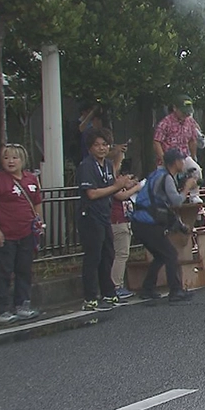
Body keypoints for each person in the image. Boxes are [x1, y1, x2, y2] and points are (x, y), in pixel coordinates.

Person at [0, 144, 42, 325]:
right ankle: (1, 310)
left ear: (22, 160)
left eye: (15, 158)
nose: (11, 161)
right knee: (3, 272)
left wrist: (39, 223)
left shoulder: (31, 179)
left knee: (24, 270)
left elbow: (37, 202)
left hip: (27, 233)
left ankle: (22, 304)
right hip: (6, 234)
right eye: (6, 158)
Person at [77, 129, 137, 312]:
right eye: (97, 145)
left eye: (105, 144)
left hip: (105, 215)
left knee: (108, 254)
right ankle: (90, 297)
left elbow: (111, 188)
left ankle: (108, 293)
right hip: (90, 215)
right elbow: (92, 193)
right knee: (93, 256)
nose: (102, 148)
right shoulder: (86, 166)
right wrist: (117, 186)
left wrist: (124, 185)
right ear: (90, 147)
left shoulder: (108, 165)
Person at [130, 149, 196, 303]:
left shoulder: (156, 174)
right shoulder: (166, 178)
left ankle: (147, 288)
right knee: (170, 254)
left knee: (161, 255)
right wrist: (187, 187)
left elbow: (163, 205)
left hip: (140, 222)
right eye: (182, 160)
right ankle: (175, 291)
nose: (183, 163)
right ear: (175, 162)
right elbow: (176, 202)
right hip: (148, 224)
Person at [110, 160, 141, 299]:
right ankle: (117, 286)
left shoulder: (116, 181)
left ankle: (116, 285)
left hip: (122, 220)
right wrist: (137, 188)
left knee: (119, 254)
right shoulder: (112, 181)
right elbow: (121, 195)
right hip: (118, 221)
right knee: (121, 254)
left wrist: (130, 184)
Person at [153, 94, 200, 165]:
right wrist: (164, 160)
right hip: (169, 160)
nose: (186, 114)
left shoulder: (190, 122)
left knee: (197, 170)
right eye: (183, 112)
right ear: (175, 108)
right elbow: (157, 142)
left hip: (184, 159)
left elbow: (192, 141)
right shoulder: (165, 123)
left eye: (188, 112)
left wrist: (193, 158)